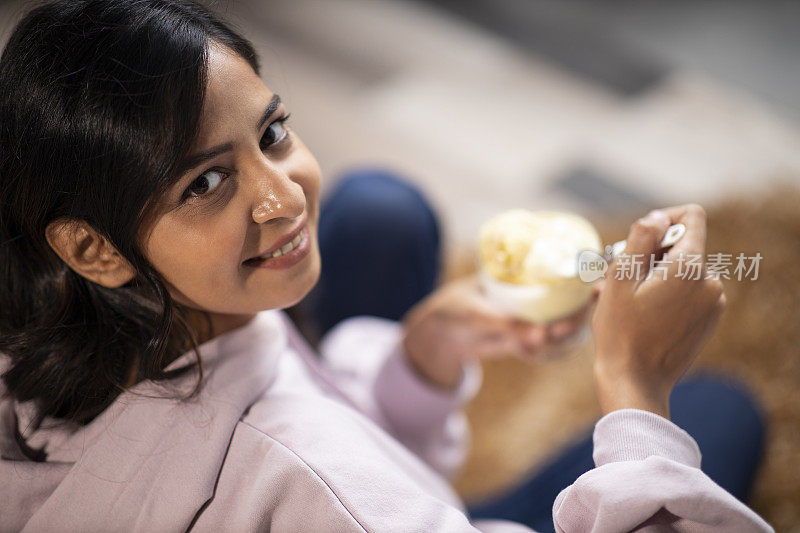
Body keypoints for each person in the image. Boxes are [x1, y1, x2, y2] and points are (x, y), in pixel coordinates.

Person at [0, 1, 771, 531]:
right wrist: (635, 381)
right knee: (717, 410)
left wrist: (425, 353)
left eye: (270, 133)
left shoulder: (60, 332)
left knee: (376, 210)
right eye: (204, 182)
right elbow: (332, 467)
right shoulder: (323, 481)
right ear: (91, 248)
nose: (284, 198)